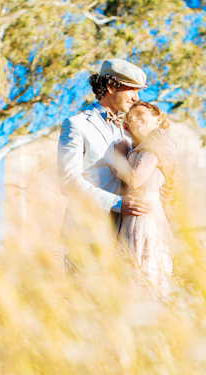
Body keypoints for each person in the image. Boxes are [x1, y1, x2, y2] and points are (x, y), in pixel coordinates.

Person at [57, 59, 152, 248]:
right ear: (110, 86)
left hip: (126, 237)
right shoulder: (76, 125)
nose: (136, 97)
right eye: (132, 89)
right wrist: (118, 203)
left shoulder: (129, 130)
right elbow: (68, 181)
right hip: (85, 236)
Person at [112, 101, 177, 295]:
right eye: (130, 118)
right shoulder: (140, 147)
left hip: (146, 216)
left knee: (145, 275)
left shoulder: (159, 137)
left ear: (158, 119)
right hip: (133, 216)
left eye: (140, 113)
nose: (133, 118)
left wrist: (119, 154)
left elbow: (135, 179)